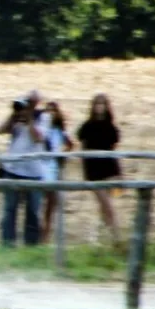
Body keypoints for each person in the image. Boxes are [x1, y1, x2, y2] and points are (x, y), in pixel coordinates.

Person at [0, 96, 46, 247]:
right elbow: (0, 130)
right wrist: (13, 116)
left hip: (33, 172)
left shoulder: (43, 117)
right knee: (9, 210)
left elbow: (38, 138)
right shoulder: (16, 120)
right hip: (12, 169)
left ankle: (31, 244)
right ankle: (7, 243)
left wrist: (29, 119)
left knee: (33, 211)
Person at [77, 94, 122, 242]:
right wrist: (86, 173)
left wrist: (119, 173)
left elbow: (113, 148)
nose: (99, 107)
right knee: (106, 204)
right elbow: (83, 149)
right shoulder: (87, 126)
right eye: (97, 104)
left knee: (105, 204)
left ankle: (101, 236)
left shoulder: (110, 126)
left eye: (102, 104)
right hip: (94, 170)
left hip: (109, 168)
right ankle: (116, 237)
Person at [39, 100, 75, 242]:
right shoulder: (42, 128)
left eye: (53, 111)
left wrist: (62, 157)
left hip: (53, 166)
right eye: (48, 110)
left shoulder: (59, 130)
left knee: (50, 202)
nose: (51, 114)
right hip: (41, 165)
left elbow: (70, 144)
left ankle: (46, 232)